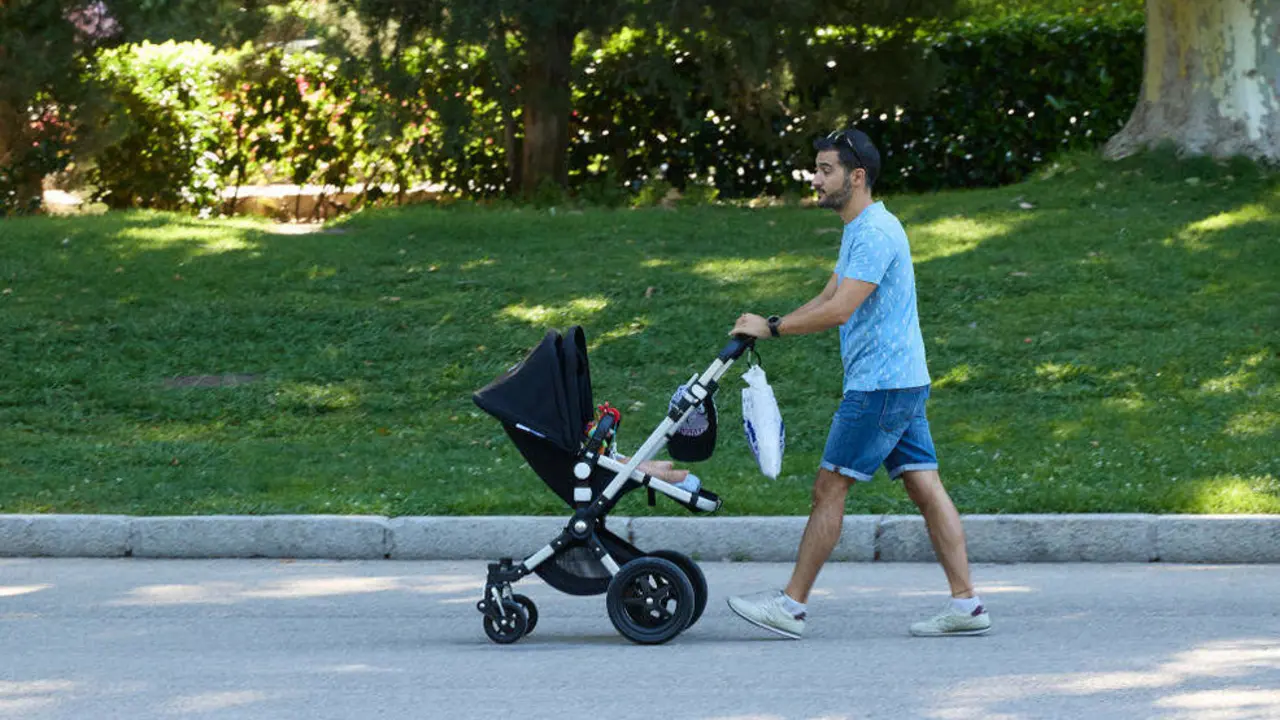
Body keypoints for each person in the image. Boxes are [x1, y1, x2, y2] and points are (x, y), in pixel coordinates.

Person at [724, 128, 991, 639]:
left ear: (857, 176)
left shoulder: (873, 233)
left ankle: (791, 606)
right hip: (901, 381)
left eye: (826, 170)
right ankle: (967, 605)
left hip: (880, 386)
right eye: (817, 169)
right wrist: (770, 324)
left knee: (829, 486)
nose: (816, 179)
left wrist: (773, 328)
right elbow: (828, 295)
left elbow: (841, 312)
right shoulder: (863, 229)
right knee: (925, 486)